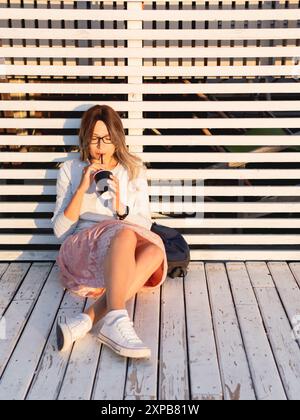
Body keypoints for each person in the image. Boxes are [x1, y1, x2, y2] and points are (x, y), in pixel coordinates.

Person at [51, 105, 168, 359]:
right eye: (94, 139)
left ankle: (86, 320)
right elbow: (60, 232)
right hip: (82, 250)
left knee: (155, 250)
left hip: (117, 254)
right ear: (85, 139)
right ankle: (116, 321)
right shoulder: (70, 170)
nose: (100, 146)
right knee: (125, 234)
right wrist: (82, 188)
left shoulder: (133, 170)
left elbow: (145, 223)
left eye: (107, 139)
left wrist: (120, 208)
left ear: (117, 139)